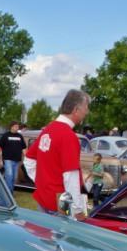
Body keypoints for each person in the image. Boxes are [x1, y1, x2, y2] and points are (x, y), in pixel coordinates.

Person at [24, 89, 90, 219]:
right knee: (62, 239)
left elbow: (29, 159)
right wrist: (77, 210)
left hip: (44, 200)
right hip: (60, 206)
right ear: (76, 110)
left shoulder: (48, 129)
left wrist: (42, 183)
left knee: (42, 237)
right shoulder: (68, 136)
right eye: (86, 108)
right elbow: (71, 176)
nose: (86, 112)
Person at [0, 121, 26, 192]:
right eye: (16, 126)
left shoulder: (20, 136)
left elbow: (24, 148)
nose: (17, 128)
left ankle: (10, 191)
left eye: (18, 126)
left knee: (14, 178)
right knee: (9, 175)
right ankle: (9, 193)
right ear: (12, 127)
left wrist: (27, 157)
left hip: (17, 160)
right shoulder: (5, 135)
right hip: (8, 159)